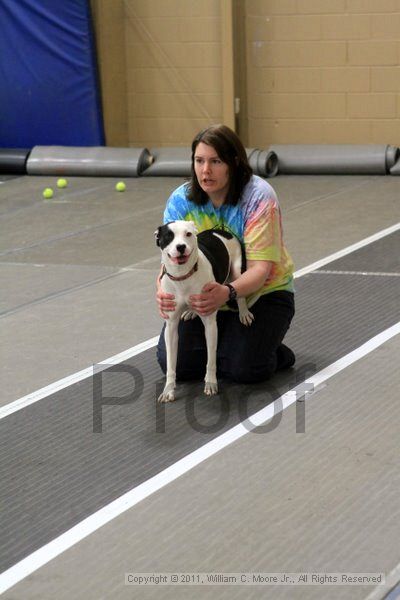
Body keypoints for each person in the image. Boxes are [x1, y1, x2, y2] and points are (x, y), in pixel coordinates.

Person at [156, 124, 295, 384]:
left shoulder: (258, 197)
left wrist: (227, 293)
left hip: (263, 293)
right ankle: (233, 342)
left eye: (215, 161)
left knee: (244, 369)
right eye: (199, 161)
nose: (205, 170)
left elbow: (259, 270)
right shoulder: (180, 200)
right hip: (203, 295)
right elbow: (168, 257)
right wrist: (162, 290)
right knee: (179, 367)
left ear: (233, 163)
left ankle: (272, 350)